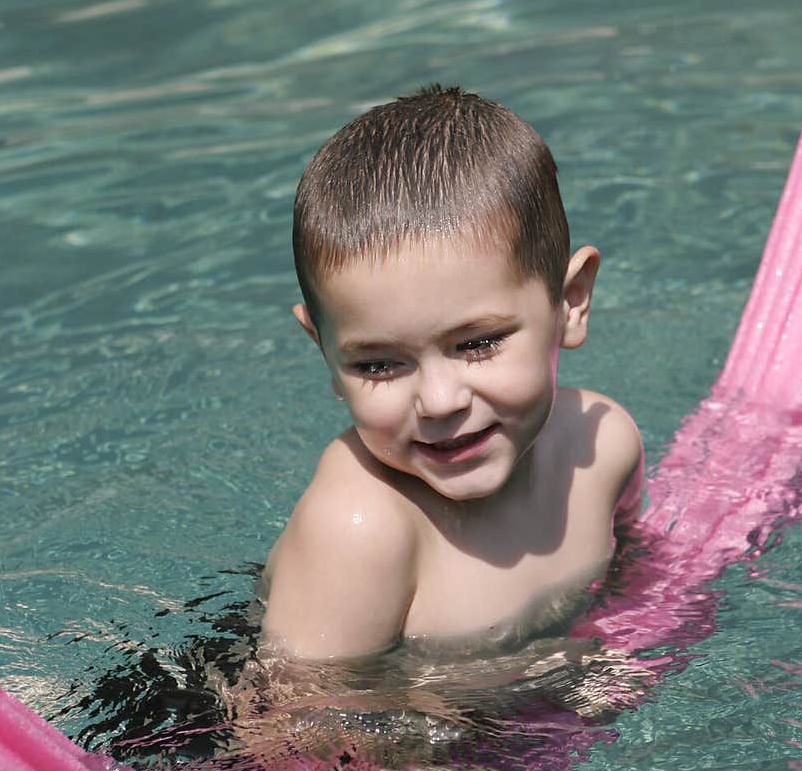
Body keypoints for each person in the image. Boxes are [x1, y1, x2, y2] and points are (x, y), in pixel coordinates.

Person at [261, 84, 643, 662]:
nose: (439, 402)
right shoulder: (360, 531)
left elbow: (641, 573)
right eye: (378, 364)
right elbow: (293, 732)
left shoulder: (603, 447)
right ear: (326, 353)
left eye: (479, 342)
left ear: (570, 302)